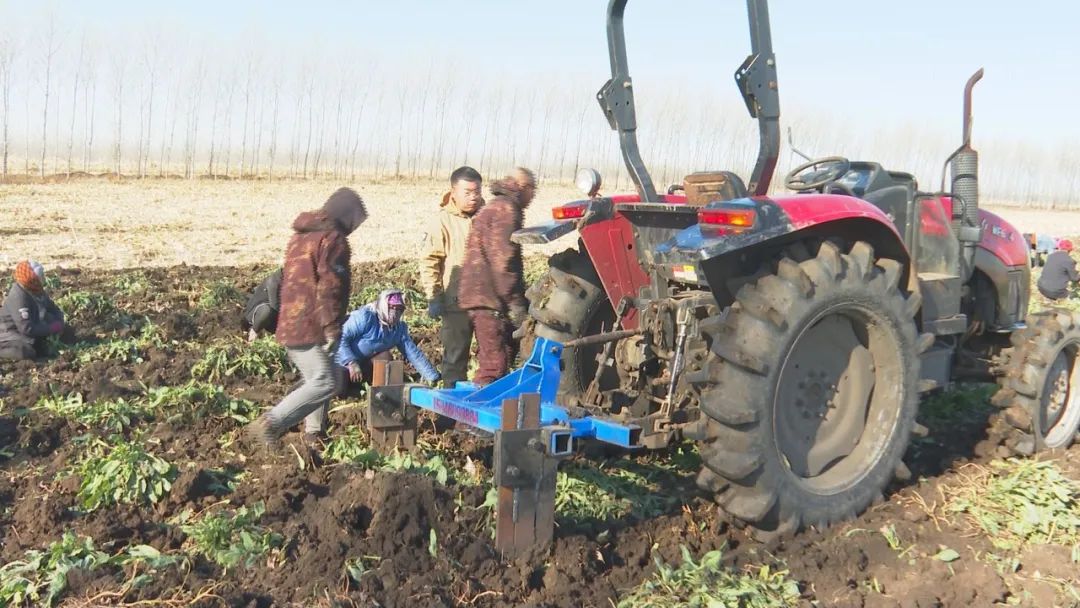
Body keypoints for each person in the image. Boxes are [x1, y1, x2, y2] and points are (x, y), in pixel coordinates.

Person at [245, 187, 367, 450]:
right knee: (325, 382)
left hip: (291, 320)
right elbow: (329, 286)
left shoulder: (301, 237)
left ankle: (314, 433)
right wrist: (332, 326)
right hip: (311, 323)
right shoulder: (333, 239)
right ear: (347, 216)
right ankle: (270, 424)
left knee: (323, 375)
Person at [458, 168, 537, 386]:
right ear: (524, 187)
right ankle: (473, 417)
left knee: (501, 354)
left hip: (478, 294)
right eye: (533, 191)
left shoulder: (494, 205)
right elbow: (503, 260)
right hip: (488, 296)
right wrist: (516, 304)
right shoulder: (507, 209)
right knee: (494, 365)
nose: (533, 198)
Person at [421, 166, 484, 389]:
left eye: (477, 191)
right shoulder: (442, 222)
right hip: (456, 303)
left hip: (487, 303)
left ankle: (484, 406)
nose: (474, 197)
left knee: (490, 360)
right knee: (455, 359)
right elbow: (430, 261)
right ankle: (451, 412)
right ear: (453, 192)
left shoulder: (489, 218)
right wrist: (434, 296)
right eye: (467, 192)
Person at [335, 288, 440, 389]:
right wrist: (351, 362)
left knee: (385, 357)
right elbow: (339, 337)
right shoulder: (365, 318)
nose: (395, 313)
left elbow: (413, 354)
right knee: (340, 385)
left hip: (363, 365)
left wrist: (433, 378)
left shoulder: (398, 330)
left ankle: (376, 390)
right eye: (391, 308)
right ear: (383, 306)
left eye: (399, 309)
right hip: (340, 362)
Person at [0, 260, 66, 361]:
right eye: (41, 277)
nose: (43, 279)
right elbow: (26, 328)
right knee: (26, 352)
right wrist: (51, 329)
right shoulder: (19, 296)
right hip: (9, 335)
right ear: (32, 280)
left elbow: (53, 309)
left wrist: (59, 322)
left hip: (30, 329)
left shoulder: (37, 290)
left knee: (61, 333)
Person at [241, 268, 283, 341]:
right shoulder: (274, 282)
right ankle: (253, 332)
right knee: (267, 311)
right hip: (258, 313)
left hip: (273, 315)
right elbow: (275, 307)